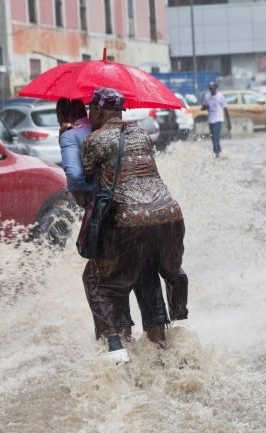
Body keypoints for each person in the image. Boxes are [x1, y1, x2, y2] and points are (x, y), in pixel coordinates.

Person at [81, 88, 189, 362]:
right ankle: (171, 335)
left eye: (90, 109)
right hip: (169, 214)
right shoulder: (141, 133)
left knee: (97, 280)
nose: (88, 114)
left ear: (100, 110)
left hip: (129, 220)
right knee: (148, 272)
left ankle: (116, 349)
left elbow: (85, 187)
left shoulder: (94, 140)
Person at [56, 98, 170, 344]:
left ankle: (116, 354)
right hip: (155, 213)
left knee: (100, 282)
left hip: (115, 220)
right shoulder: (132, 130)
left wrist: (92, 198)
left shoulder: (74, 137)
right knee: (145, 275)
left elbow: (76, 178)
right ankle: (160, 351)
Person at [202, 82, 231, 158]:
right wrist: (205, 108)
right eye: (210, 88)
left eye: (212, 88)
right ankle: (218, 151)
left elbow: (225, 109)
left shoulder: (220, 96)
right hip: (210, 119)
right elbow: (204, 106)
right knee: (213, 137)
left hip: (218, 119)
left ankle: (217, 153)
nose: (211, 90)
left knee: (216, 136)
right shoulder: (207, 96)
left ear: (216, 88)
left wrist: (229, 122)